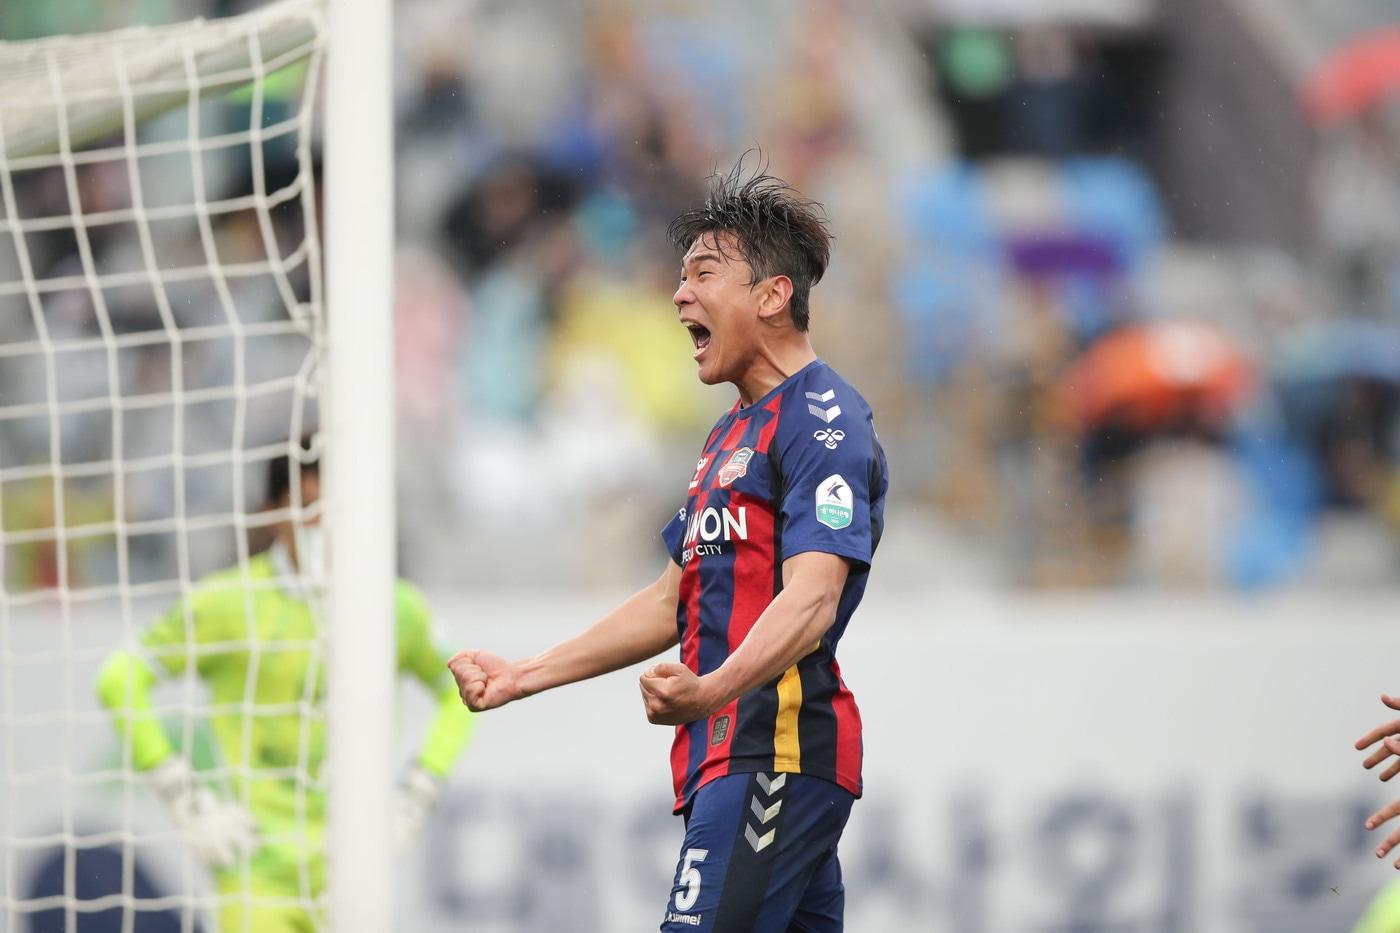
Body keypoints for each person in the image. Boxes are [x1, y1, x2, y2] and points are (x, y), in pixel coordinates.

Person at [448, 162, 889, 932]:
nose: (679, 295)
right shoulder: (728, 436)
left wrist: (714, 688)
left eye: (703, 273)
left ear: (772, 295)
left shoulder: (824, 419)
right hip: (731, 756)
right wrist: (523, 674)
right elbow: (671, 598)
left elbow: (814, 596)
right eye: (681, 277)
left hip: (774, 752)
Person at [96, 442, 474, 933]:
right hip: (256, 868)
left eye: (335, 510)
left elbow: (462, 695)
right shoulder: (230, 601)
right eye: (308, 507)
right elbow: (119, 679)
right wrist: (184, 799)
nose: (322, 524)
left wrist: (415, 797)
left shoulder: (393, 606)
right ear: (272, 512)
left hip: (355, 863)